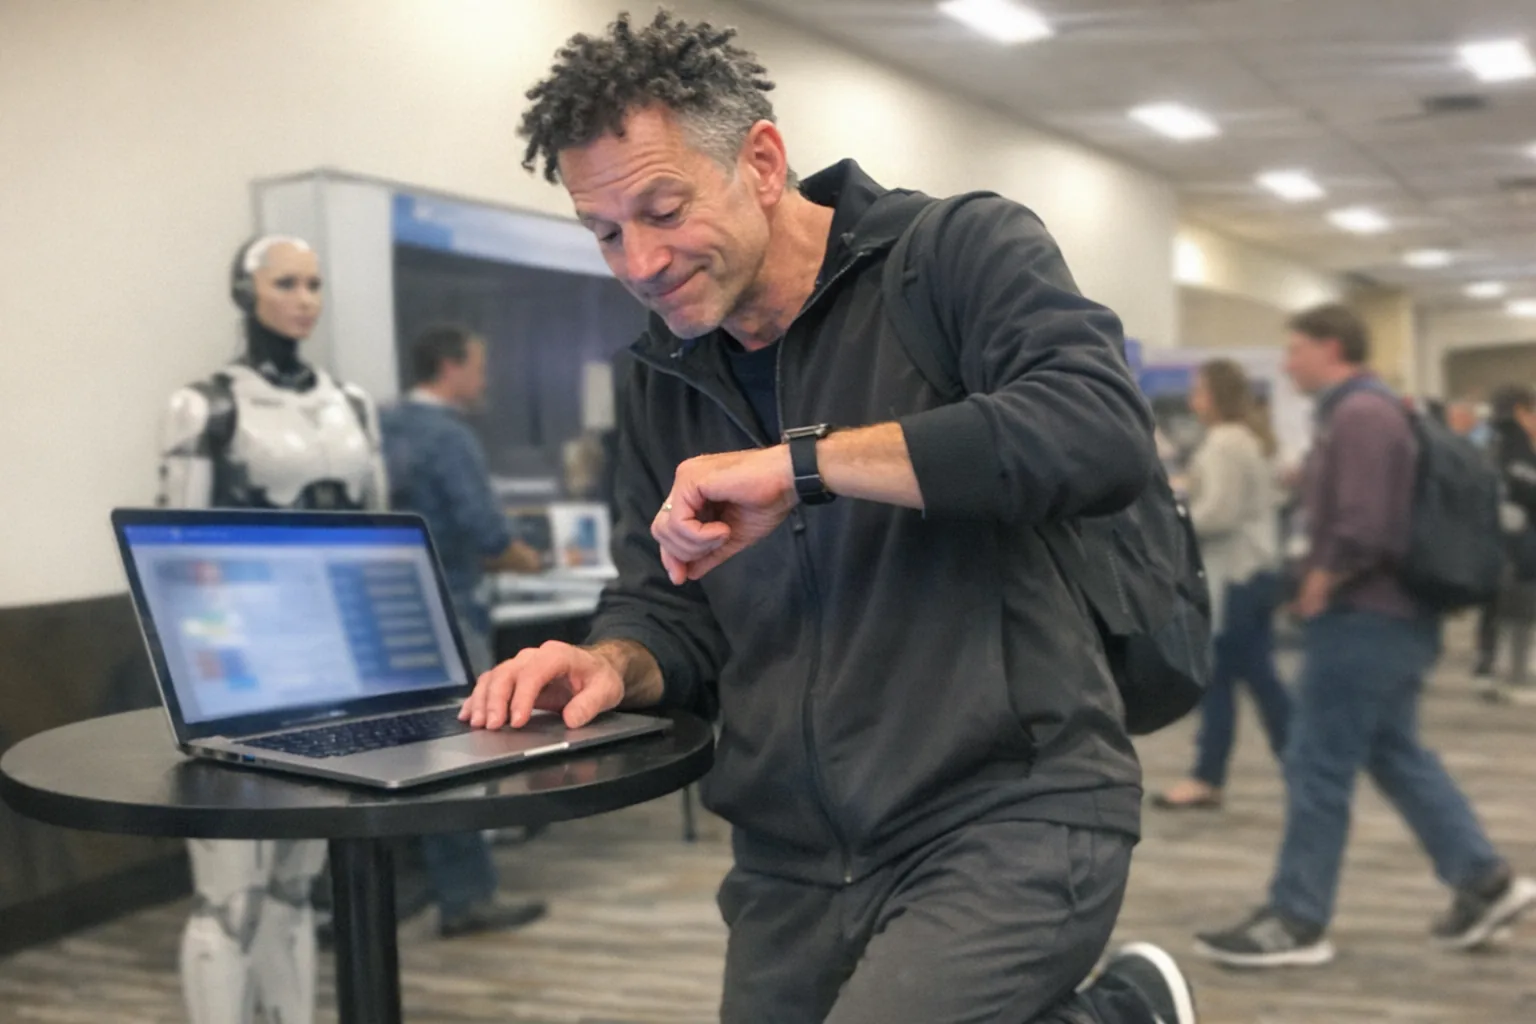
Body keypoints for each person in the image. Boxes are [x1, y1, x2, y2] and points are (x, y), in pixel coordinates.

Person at [462, 11, 1197, 1024]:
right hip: (794, 861)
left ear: (761, 161)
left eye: (663, 209)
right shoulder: (661, 375)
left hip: (1008, 810)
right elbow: (667, 601)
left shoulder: (956, 253)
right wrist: (612, 663)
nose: (637, 262)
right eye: (606, 231)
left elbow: (1096, 431)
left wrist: (806, 466)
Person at [1195, 304, 1535, 968]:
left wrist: (1322, 578)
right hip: (1390, 618)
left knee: (1315, 762)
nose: (1287, 364)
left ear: (1332, 348)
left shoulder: (1360, 416)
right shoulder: (1370, 412)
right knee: (1394, 751)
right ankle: (1482, 879)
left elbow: (1365, 524)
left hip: (1365, 619)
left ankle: (1298, 918)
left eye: (1295, 350)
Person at [158, 235, 387, 1024]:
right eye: (286, 282)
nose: (304, 298)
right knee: (229, 894)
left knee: (295, 880)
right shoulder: (209, 404)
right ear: (246, 291)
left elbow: (377, 538)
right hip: (236, 662)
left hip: (331, 666)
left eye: (315, 283)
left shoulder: (350, 404)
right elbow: (177, 551)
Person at [378, 323, 548, 937]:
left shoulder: (385, 426)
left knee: (408, 754)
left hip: (387, 615)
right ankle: (467, 897)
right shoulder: (448, 437)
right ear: (449, 367)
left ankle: (415, 886)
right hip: (449, 612)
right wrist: (536, 560)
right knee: (461, 757)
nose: (484, 379)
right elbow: (487, 531)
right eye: (477, 366)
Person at [1155, 360, 1289, 810]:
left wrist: (1169, 517)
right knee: (1227, 680)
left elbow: (1219, 514)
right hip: (1249, 575)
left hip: (1236, 577)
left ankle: (1297, 766)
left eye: (1199, 390)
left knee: (1252, 679)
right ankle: (1209, 776)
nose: (1193, 399)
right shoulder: (1243, 440)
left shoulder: (1226, 443)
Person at [1480, 385, 1536, 702]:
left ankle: (1491, 670)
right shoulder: (1514, 449)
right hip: (1516, 546)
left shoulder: (1491, 443)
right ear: (1521, 413)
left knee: (1503, 610)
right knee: (1517, 609)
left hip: (1499, 545)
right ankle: (1510, 674)